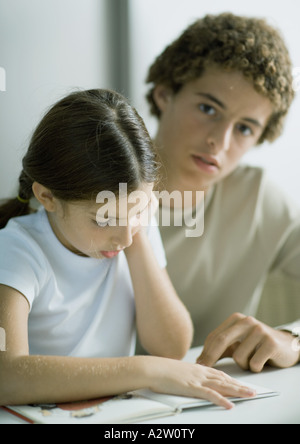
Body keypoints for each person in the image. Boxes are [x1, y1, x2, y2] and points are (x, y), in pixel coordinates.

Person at [0, 89, 255, 409]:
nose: (124, 236)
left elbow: (171, 347)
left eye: (140, 209)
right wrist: (143, 369)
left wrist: (137, 239)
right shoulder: (18, 250)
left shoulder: (134, 232)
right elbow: (6, 376)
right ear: (47, 197)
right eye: (104, 219)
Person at [145, 13, 300, 372]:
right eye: (208, 108)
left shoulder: (259, 200)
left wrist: (292, 340)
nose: (220, 141)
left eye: (245, 128)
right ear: (165, 93)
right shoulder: (82, 187)